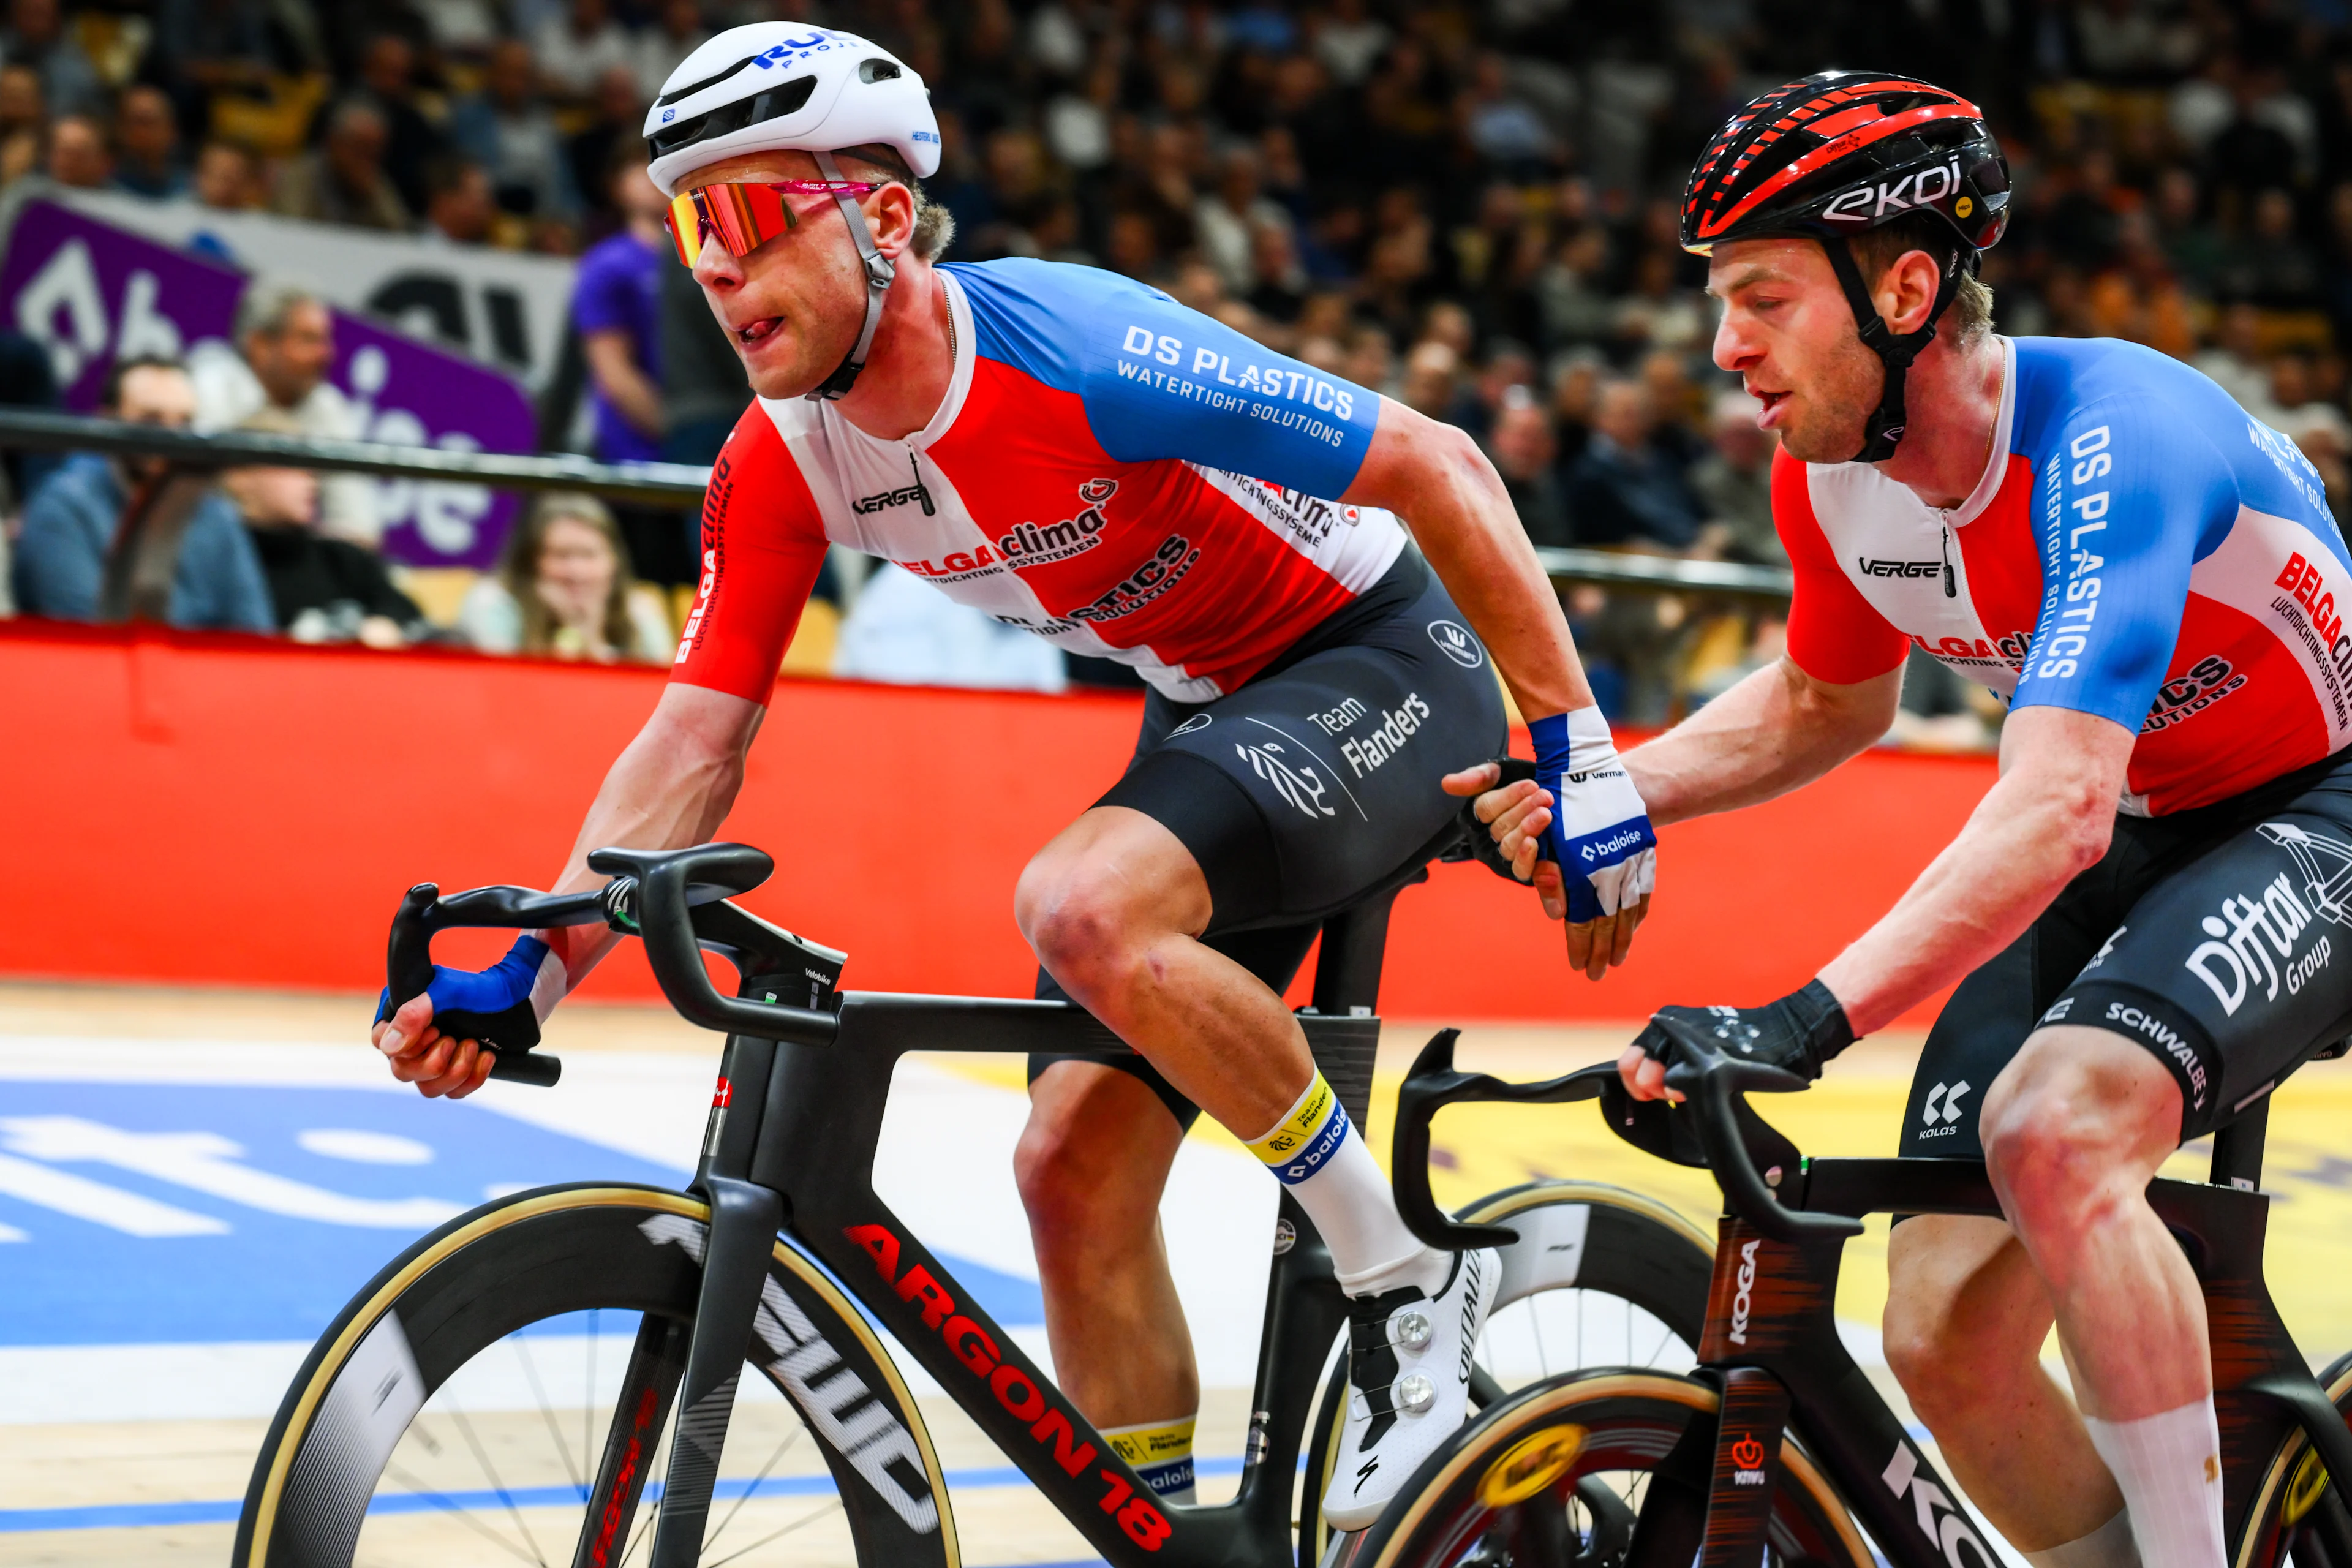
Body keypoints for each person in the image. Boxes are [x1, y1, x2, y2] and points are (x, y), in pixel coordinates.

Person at [368, 21, 1658, 1536]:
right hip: (1208, 705)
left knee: (1076, 902)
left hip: (1378, 656)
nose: (708, 265)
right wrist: (536, 962)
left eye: (741, 215)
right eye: (683, 223)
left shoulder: (1072, 350)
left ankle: (1405, 1284)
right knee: (1062, 1163)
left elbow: (1438, 463)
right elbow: (692, 741)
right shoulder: (781, 457)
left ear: (883, 217)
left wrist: (1582, 758)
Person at [1466, 72, 2352, 1568]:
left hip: (2314, 804)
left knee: (2052, 1132)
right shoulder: (1830, 476)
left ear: (1904, 283)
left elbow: (2057, 807)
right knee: (1938, 1331)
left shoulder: (2111, 436)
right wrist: (1595, 782)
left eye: (1759, 296)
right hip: (2150, 817)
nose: (1723, 346)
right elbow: (1822, 704)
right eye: (1716, 302)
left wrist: (1799, 1019)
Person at [12, 355, 273, 632]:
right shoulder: (62, 507)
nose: (173, 439)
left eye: (184, 423)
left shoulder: (216, 514)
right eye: (152, 421)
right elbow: (93, 642)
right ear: (108, 421)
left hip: (206, 673)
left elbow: (254, 635)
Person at [191, 282, 379, 546]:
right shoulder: (208, 392)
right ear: (260, 345)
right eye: (309, 340)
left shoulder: (329, 406)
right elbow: (195, 512)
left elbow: (360, 530)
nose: (327, 354)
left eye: (326, 340)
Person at [225, 413, 423, 646]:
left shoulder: (342, 560)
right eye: (291, 464)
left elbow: (406, 611)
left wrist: (386, 623)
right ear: (239, 476)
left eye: (310, 466)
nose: (311, 477)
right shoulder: (219, 567)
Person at [458, 491, 672, 661]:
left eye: (588, 555)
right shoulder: (493, 604)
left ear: (614, 561)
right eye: (561, 555)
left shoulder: (638, 610)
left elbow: (660, 695)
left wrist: (593, 640)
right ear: (532, 560)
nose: (576, 572)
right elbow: (498, 690)